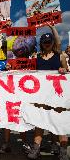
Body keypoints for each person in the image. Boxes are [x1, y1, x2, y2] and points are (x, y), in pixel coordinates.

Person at [27, 25, 69, 160]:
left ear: (52, 43)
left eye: (49, 42)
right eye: (44, 42)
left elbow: (67, 72)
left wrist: (52, 26)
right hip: (42, 95)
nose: (47, 44)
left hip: (58, 95)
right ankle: (36, 148)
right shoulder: (36, 58)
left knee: (59, 120)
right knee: (40, 121)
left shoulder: (60, 56)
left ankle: (62, 149)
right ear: (41, 43)